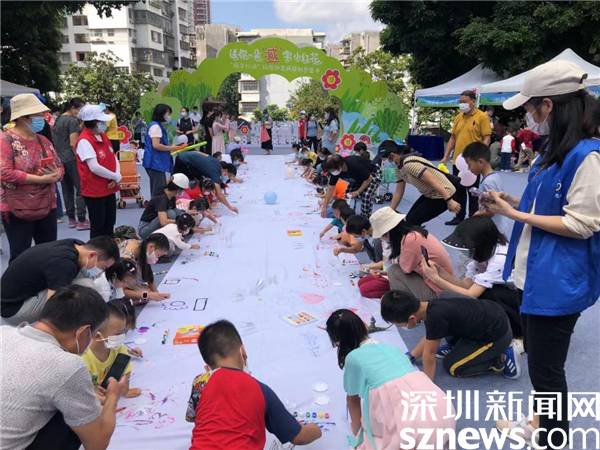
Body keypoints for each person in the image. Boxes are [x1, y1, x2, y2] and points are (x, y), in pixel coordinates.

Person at [482, 61, 600, 448]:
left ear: (548, 106)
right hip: (533, 274)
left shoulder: (587, 156)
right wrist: (510, 201)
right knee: (538, 362)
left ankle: (552, 438)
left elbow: (582, 223)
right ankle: (539, 424)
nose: (528, 116)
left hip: (557, 281)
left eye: (530, 108)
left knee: (547, 372)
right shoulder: (554, 150)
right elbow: (545, 205)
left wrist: (514, 214)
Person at [0, 285, 128, 450]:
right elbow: (97, 444)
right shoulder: (68, 366)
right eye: (94, 334)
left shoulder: (3, 332)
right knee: (76, 413)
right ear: (83, 332)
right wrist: (113, 396)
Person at [325, 309, 455, 449]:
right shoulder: (392, 348)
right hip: (445, 415)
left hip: (413, 432)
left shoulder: (353, 358)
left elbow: (352, 400)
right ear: (364, 325)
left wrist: (358, 436)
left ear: (338, 342)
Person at [187, 320, 322, 449]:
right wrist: (316, 429)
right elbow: (299, 437)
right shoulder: (260, 390)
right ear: (243, 351)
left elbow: (196, 418)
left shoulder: (200, 382)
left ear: (208, 366)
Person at [381, 290, 521, 381]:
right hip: (492, 315)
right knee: (446, 331)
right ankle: (458, 347)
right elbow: (430, 337)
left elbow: (429, 354)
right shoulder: (429, 305)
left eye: (400, 325)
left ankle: (500, 358)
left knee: (453, 367)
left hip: (497, 335)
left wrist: (426, 384)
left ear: (412, 318)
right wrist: (411, 356)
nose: (401, 327)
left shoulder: (436, 317)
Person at [425, 217, 522, 338]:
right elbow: (465, 285)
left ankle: (512, 331)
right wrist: (440, 272)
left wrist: (436, 279)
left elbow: (471, 294)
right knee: (479, 293)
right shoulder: (486, 252)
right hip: (510, 296)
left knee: (486, 295)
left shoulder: (500, 260)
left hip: (518, 302)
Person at [0, 93, 64, 263]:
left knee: (49, 253)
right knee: (20, 256)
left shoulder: (43, 140)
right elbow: (4, 172)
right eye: (38, 115)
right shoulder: (5, 140)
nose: (42, 118)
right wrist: (41, 179)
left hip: (46, 204)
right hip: (16, 208)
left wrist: (57, 174)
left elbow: (60, 166)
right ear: (24, 117)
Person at [1, 236, 119, 325]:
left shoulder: (75, 244)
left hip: (13, 296)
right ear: (92, 255)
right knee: (85, 286)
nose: (100, 272)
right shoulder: (64, 264)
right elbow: (52, 307)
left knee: (82, 280)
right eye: (103, 267)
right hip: (13, 310)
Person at [348, 207, 455, 301]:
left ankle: (404, 304)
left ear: (389, 232)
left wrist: (383, 274)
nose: (382, 239)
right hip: (437, 282)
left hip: (437, 290)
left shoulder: (409, 241)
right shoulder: (412, 235)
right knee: (364, 283)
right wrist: (381, 272)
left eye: (382, 236)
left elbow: (403, 270)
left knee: (394, 271)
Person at [441, 90, 492, 226]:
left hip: (473, 161)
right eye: (460, 102)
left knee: (473, 191)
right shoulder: (458, 117)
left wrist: (480, 154)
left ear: (472, 101)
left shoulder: (482, 116)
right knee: (458, 190)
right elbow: (453, 138)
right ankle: (459, 216)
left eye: (464, 101)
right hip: (457, 160)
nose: (462, 104)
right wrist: (445, 156)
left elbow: (486, 138)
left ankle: (473, 216)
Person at [383, 141, 460, 226]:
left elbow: (433, 180)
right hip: (430, 193)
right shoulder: (398, 167)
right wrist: (390, 211)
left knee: (411, 223)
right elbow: (398, 191)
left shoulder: (409, 164)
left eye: (385, 160)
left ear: (392, 155)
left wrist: (449, 200)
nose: (385, 164)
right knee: (409, 220)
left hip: (444, 194)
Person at [75, 105, 121, 238]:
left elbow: (113, 156)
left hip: (109, 187)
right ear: (93, 123)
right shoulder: (85, 141)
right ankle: (97, 250)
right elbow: (94, 167)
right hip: (95, 190)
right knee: (98, 227)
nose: (104, 123)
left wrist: (116, 176)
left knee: (109, 224)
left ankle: (109, 248)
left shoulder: (102, 136)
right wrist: (115, 176)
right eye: (101, 121)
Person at [82, 301, 141, 399]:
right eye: (118, 334)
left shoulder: (119, 348)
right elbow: (83, 391)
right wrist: (104, 399)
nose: (122, 336)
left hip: (109, 386)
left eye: (123, 332)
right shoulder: (83, 359)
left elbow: (126, 370)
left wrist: (123, 388)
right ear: (97, 336)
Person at [53, 97, 90, 230]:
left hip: (60, 159)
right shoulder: (72, 120)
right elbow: (73, 143)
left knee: (67, 190)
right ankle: (82, 219)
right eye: (81, 109)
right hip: (72, 159)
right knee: (80, 189)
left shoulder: (59, 119)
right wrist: (80, 157)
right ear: (74, 108)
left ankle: (72, 219)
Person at [462, 142, 512, 238]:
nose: (469, 168)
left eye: (469, 165)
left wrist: (476, 215)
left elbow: (492, 210)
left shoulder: (488, 182)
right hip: (499, 225)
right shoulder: (494, 176)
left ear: (480, 162)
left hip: (494, 227)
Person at [173, 151, 239, 214]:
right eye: (229, 175)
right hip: (184, 162)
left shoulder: (216, 162)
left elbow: (201, 153)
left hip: (184, 155)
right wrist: (230, 207)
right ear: (225, 170)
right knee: (177, 182)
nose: (228, 178)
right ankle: (174, 204)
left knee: (195, 178)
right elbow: (219, 194)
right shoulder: (216, 174)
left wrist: (190, 154)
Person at [321, 154, 381, 218]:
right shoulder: (335, 171)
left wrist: (358, 192)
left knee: (366, 195)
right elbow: (330, 189)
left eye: (332, 170)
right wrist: (324, 207)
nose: (332, 172)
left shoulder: (354, 164)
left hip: (372, 172)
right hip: (358, 177)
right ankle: (347, 216)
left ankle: (365, 217)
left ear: (340, 165)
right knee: (348, 194)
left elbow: (369, 178)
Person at [118, 233, 171, 303]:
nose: (157, 259)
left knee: (146, 292)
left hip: (124, 276)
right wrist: (148, 295)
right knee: (144, 296)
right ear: (151, 247)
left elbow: (148, 273)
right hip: (113, 286)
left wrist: (157, 294)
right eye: (158, 255)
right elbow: (120, 290)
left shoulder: (142, 247)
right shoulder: (127, 261)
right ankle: (129, 302)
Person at [138, 173, 189, 239]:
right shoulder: (162, 199)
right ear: (178, 190)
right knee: (170, 213)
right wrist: (180, 221)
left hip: (152, 223)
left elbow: (176, 211)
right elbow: (163, 222)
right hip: (145, 229)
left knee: (178, 213)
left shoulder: (170, 195)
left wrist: (186, 216)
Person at [143, 104, 179, 197]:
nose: (169, 116)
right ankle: (157, 206)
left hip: (156, 162)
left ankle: (158, 205)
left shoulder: (156, 125)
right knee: (158, 190)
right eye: (168, 114)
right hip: (155, 162)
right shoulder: (156, 127)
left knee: (159, 188)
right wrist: (171, 148)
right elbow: (156, 145)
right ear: (161, 114)